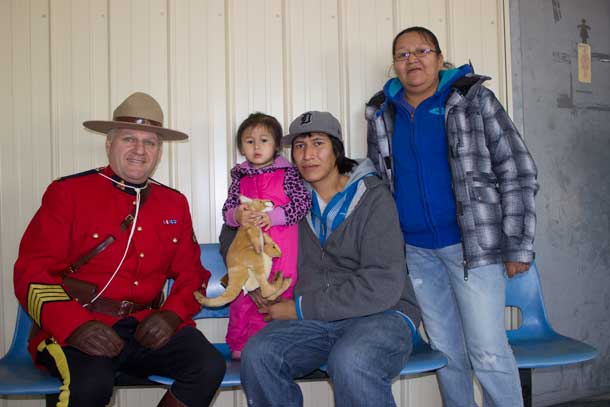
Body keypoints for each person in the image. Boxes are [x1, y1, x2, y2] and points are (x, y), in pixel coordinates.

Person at [13, 92, 226, 407]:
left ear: (159, 151)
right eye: (129, 138)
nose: (140, 150)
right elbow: (31, 273)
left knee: (208, 366)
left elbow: (191, 273)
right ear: (109, 143)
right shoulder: (68, 193)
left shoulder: (174, 203)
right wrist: (75, 326)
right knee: (90, 386)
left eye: (150, 142)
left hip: (144, 327)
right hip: (79, 323)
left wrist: (171, 315)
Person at [365, 26, 539, 406]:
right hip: (416, 254)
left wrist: (518, 243)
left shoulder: (473, 99)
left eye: (422, 50)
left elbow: (518, 167)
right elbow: (379, 181)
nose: (412, 59)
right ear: (394, 65)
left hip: (473, 249)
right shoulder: (381, 113)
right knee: (446, 354)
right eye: (403, 54)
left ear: (440, 58)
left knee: (489, 352)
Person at [239, 111, 421, 407]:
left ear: (337, 149)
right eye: (299, 146)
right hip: (316, 320)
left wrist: (298, 308)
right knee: (259, 354)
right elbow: (231, 234)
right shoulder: (286, 198)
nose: (308, 154)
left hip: (382, 313)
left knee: (352, 361)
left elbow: (382, 283)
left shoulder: (373, 197)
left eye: (318, 143)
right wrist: (251, 281)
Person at [221, 112, 310, 359]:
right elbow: (227, 210)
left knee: (279, 291)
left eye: (264, 140)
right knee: (245, 293)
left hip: (282, 246)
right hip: (248, 246)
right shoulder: (239, 176)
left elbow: (301, 204)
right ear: (241, 147)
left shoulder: (289, 173)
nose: (257, 146)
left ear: (277, 145)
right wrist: (237, 216)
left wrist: (273, 217)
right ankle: (240, 343)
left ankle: (278, 345)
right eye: (249, 141)